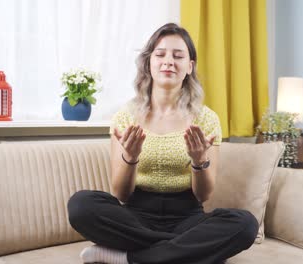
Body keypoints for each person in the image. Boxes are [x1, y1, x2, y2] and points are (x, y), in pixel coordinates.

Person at [67, 23, 258, 264]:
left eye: (178, 56)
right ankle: (182, 252)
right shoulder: (126, 116)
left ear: (189, 67)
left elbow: (204, 195)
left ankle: (130, 258)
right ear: (149, 63)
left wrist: (199, 162)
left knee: (245, 225)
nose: (168, 61)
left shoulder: (207, 119)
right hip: (136, 215)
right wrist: (131, 158)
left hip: (187, 217)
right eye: (160, 54)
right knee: (81, 205)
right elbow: (120, 193)